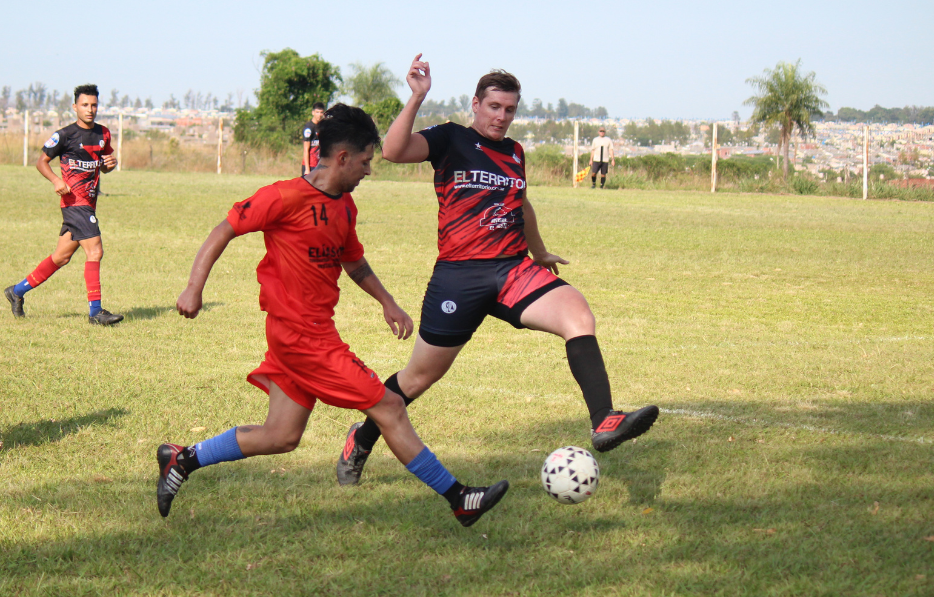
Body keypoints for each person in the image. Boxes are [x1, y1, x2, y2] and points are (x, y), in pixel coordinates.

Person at [158, 103, 507, 527]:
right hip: (303, 339)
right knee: (390, 407)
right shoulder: (283, 196)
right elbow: (224, 229)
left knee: (281, 436)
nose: (369, 171)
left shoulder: (345, 206)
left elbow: (352, 261)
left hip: (303, 335)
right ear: (342, 157)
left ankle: (182, 458)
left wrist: (387, 301)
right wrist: (194, 287)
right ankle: (459, 498)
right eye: (365, 161)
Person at [335, 54, 658, 486]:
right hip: (459, 277)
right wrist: (417, 97)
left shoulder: (515, 153)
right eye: (493, 107)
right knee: (419, 377)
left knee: (578, 315)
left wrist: (539, 253)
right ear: (476, 104)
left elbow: (521, 205)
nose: (501, 116)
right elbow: (393, 151)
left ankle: (604, 420)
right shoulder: (450, 139)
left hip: (512, 271)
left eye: (509, 109)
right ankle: (360, 439)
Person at [4, 84, 122, 325]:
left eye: (94, 105)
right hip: (74, 203)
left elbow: (104, 166)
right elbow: (41, 162)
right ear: (75, 107)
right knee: (95, 251)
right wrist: (56, 180)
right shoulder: (65, 135)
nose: (90, 109)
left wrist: (110, 164)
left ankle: (16, 291)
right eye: (85, 105)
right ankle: (95, 313)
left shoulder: (103, 134)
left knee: (61, 257)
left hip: (89, 203)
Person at [301, 102, 325, 176]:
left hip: (319, 165)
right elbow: (306, 149)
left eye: (321, 112)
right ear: (313, 113)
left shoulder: (322, 127)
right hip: (310, 165)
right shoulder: (309, 128)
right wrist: (307, 169)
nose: (319, 115)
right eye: (317, 112)